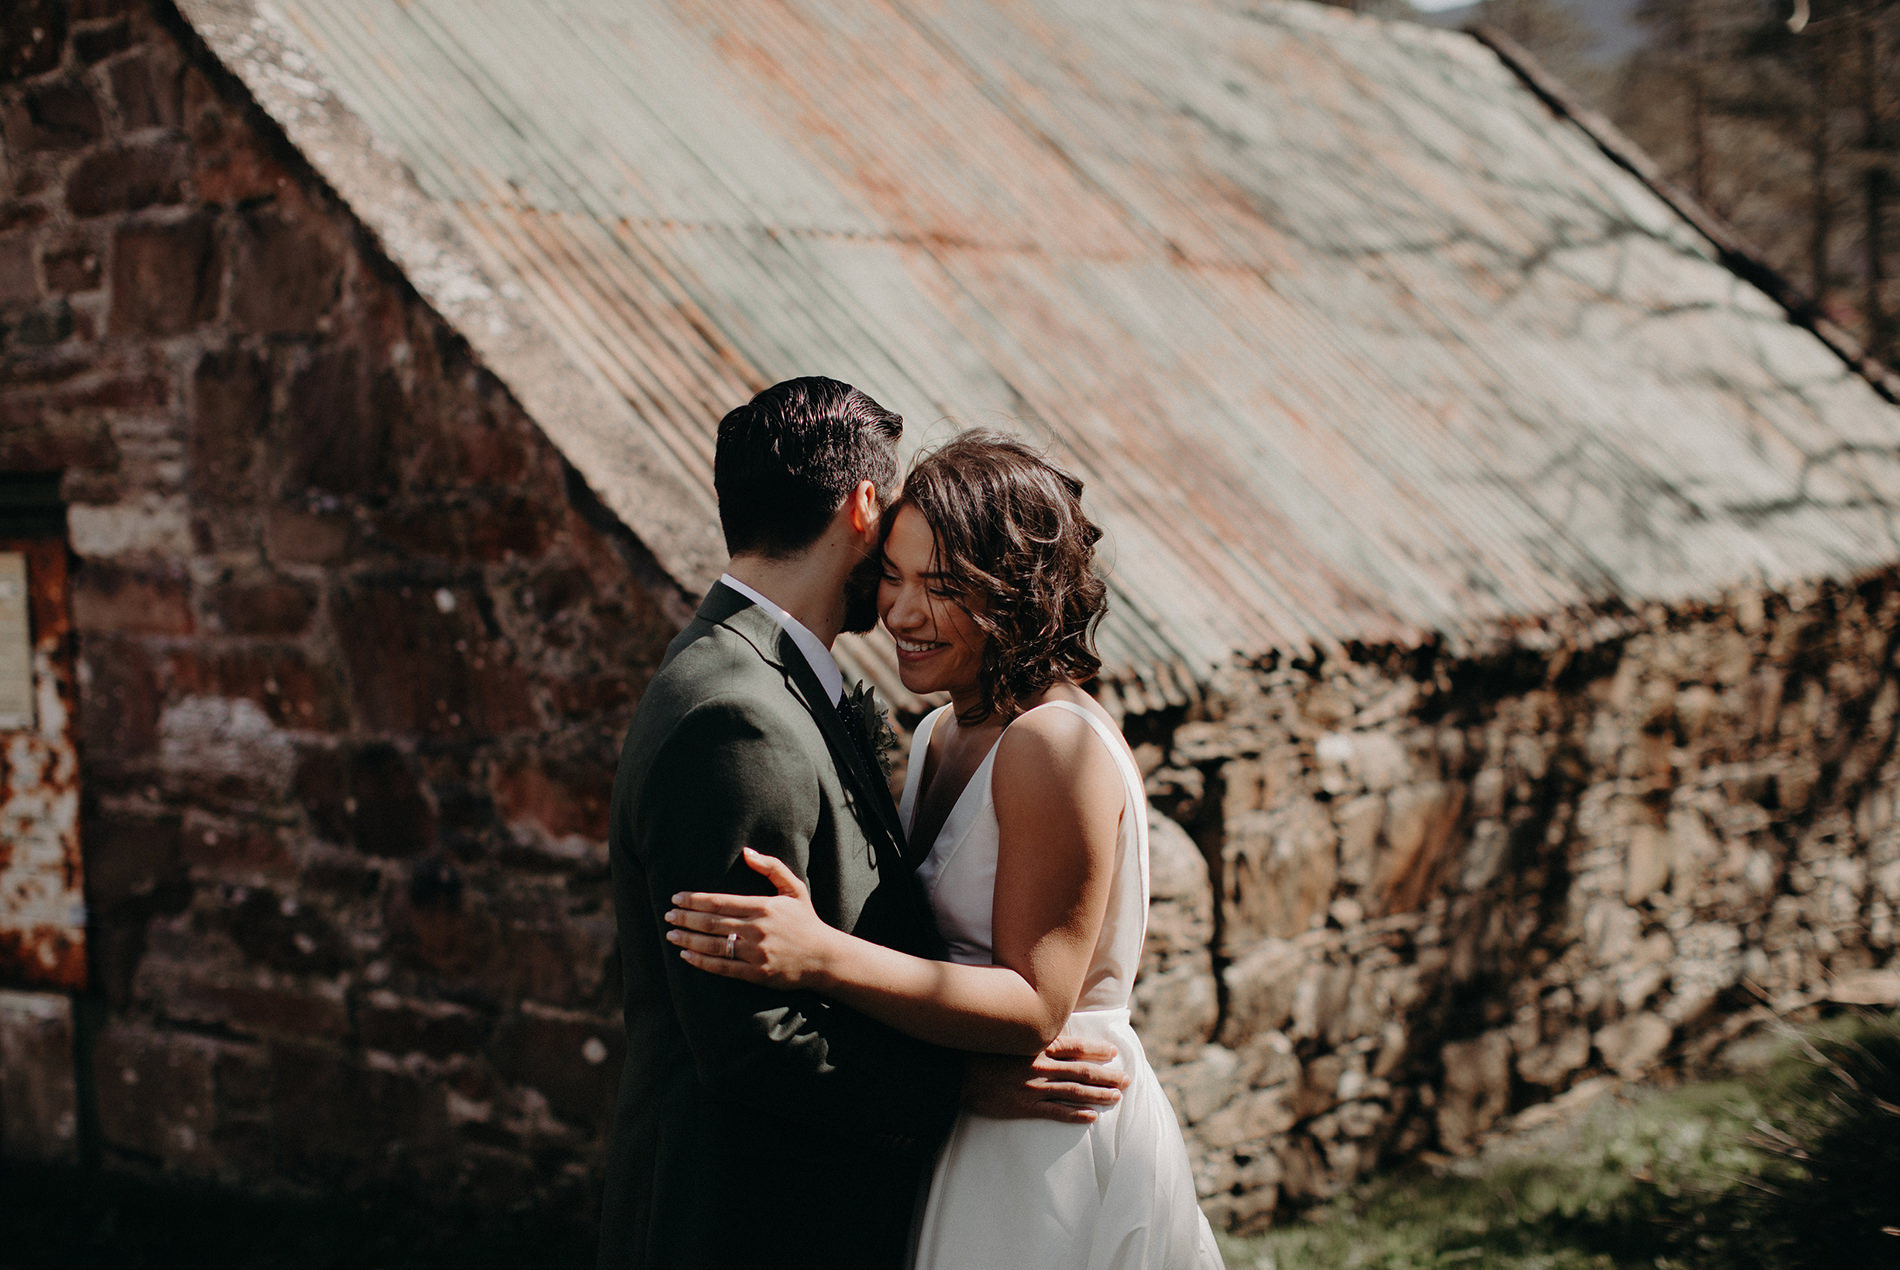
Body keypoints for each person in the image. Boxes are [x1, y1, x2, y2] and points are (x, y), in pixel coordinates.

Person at [597, 383, 1130, 1270]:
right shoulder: (737, 711)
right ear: (864, 506)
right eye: (897, 566)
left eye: (941, 582)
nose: (900, 603)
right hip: (748, 1222)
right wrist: (963, 1089)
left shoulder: (798, 685)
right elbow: (750, 1041)